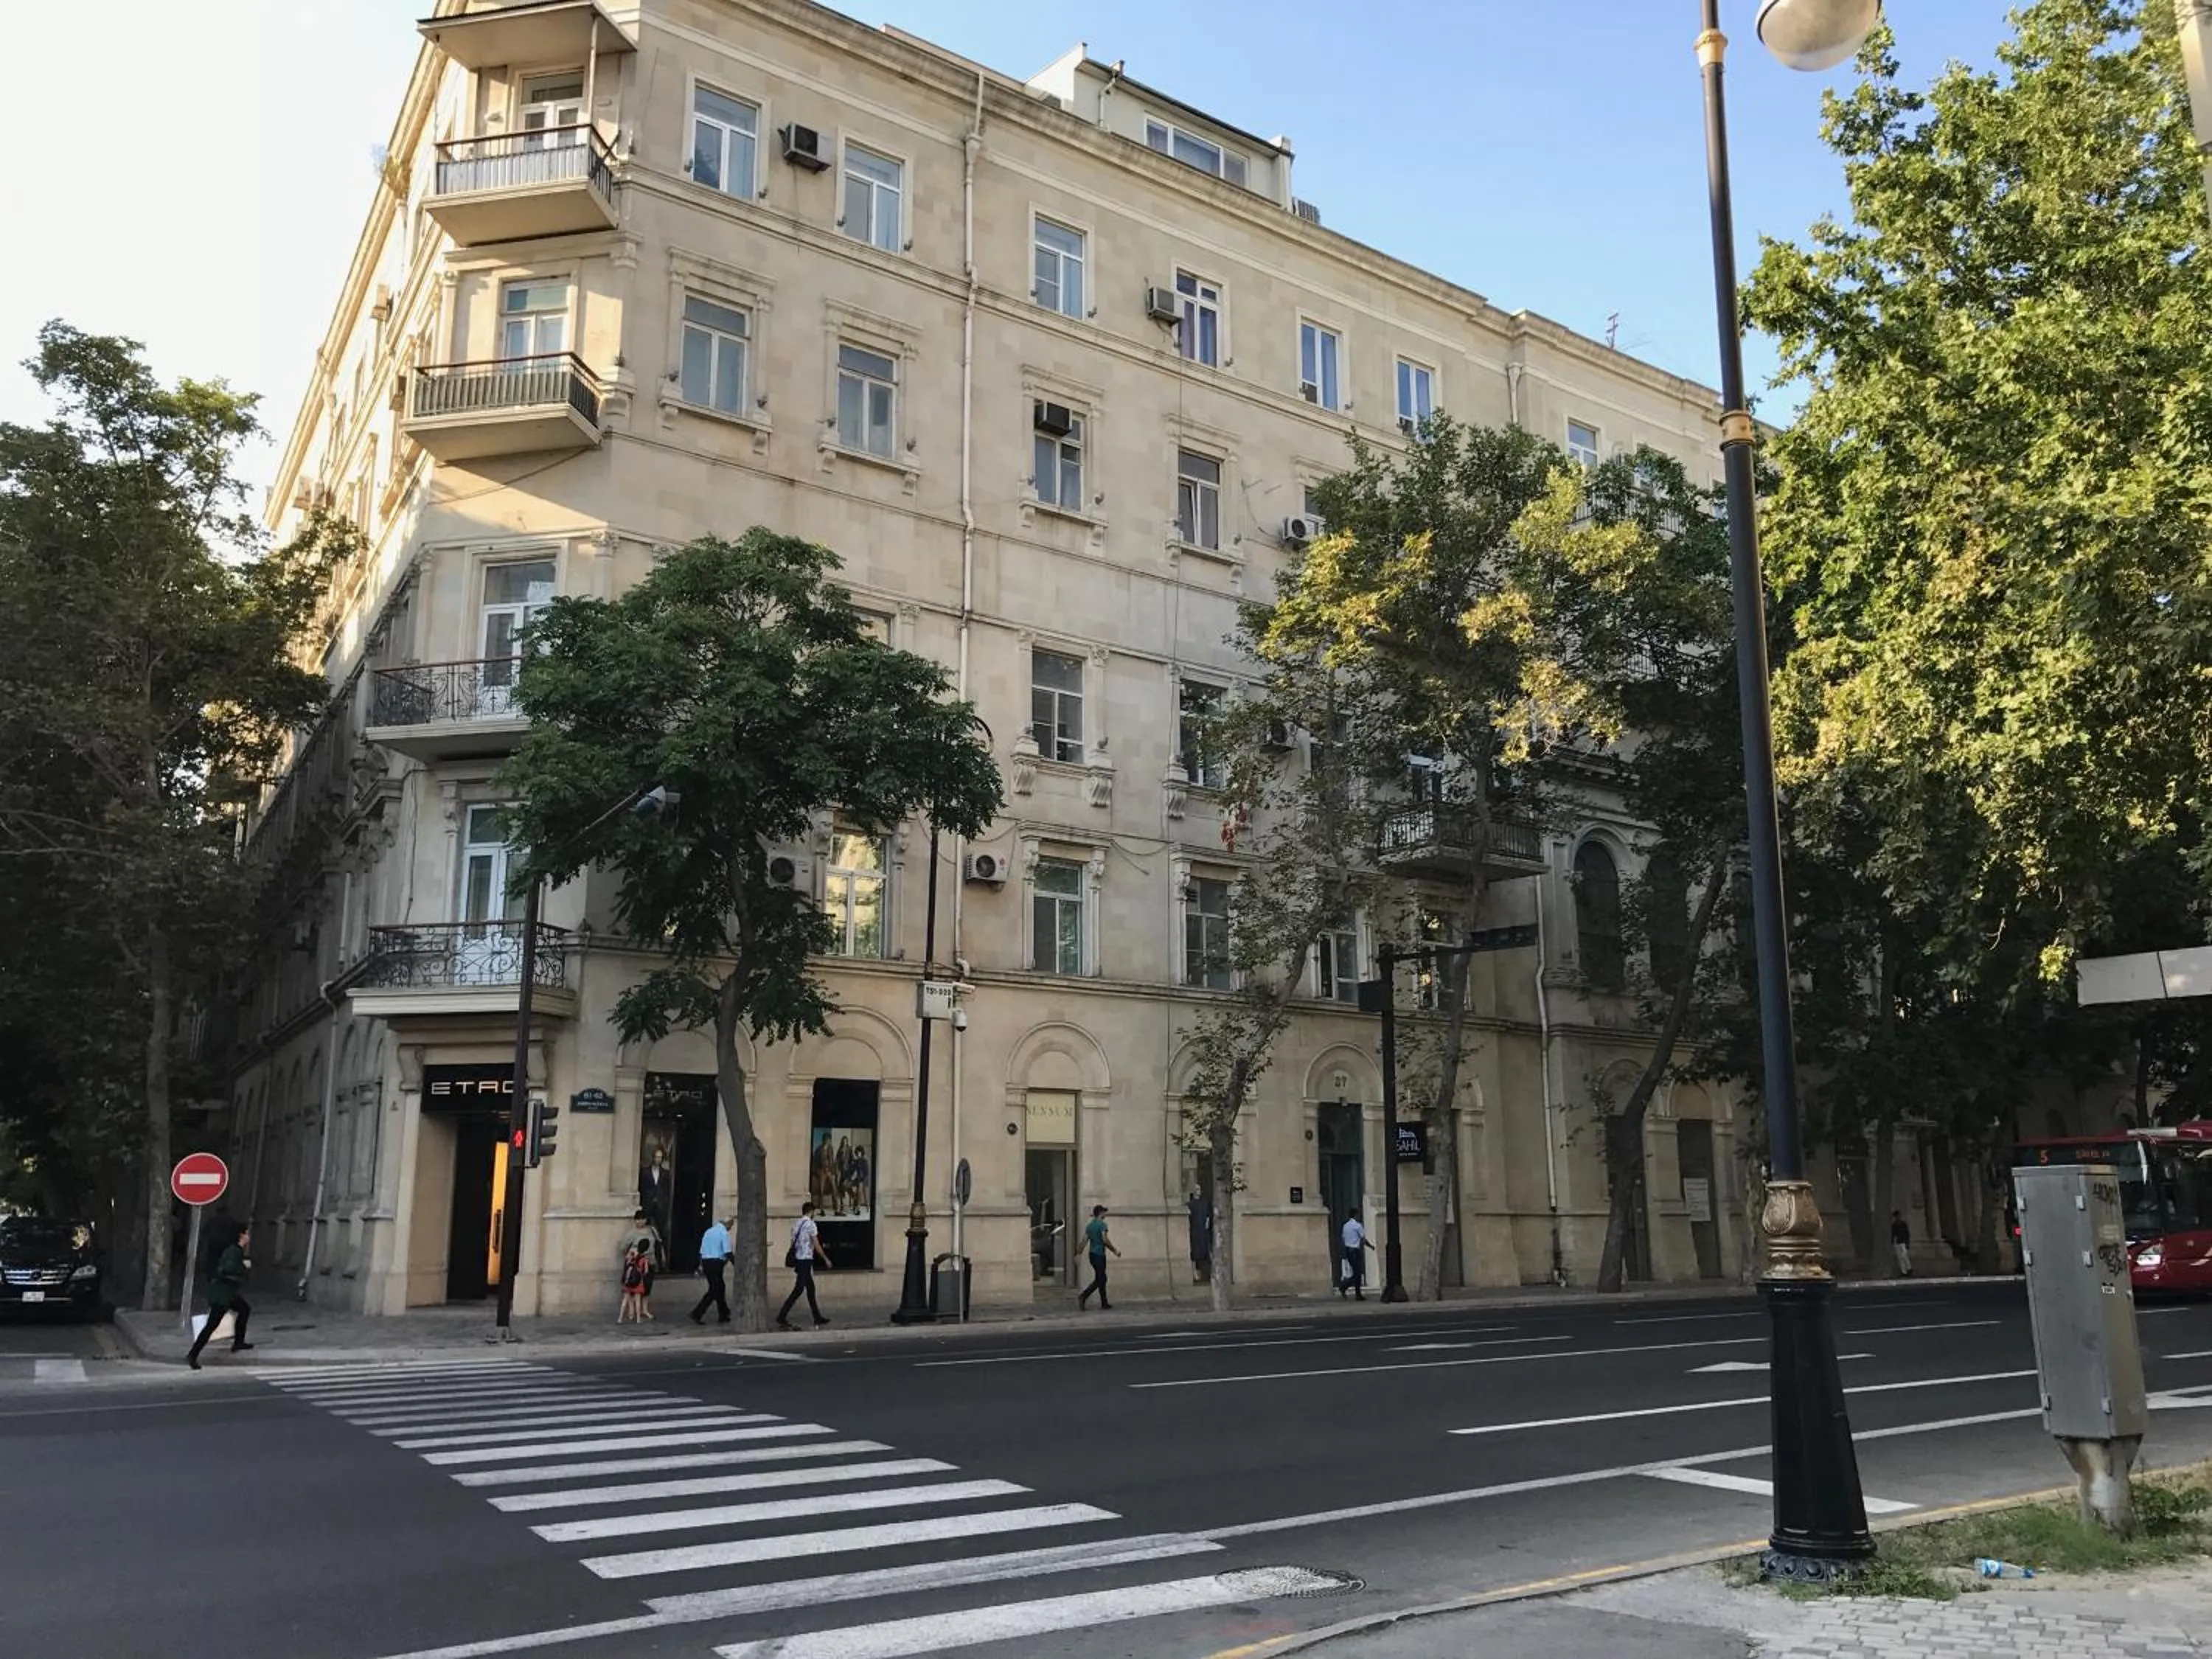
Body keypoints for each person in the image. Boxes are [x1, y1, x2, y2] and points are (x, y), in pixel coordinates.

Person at [187, 1225, 256, 1369]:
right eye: (247, 1234)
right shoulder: (234, 1252)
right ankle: (193, 1354)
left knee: (244, 1310)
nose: (249, 1237)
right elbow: (228, 1269)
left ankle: (239, 1342)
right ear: (241, 1236)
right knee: (212, 1325)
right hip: (222, 1295)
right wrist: (244, 1267)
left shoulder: (236, 1251)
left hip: (228, 1293)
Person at [776, 1200, 832, 1330]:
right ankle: (782, 1315)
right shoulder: (811, 1225)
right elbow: (816, 1244)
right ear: (811, 1211)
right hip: (806, 1260)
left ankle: (817, 1317)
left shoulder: (796, 1224)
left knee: (810, 1289)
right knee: (799, 1290)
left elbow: (792, 1244)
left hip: (799, 1260)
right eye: (814, 1212)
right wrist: (825, 1258)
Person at [690, 1213, 734, 1324]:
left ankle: (723, 1313)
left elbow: (702, 1251)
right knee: (715, 1289)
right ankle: (697, 1313)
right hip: (716, 1263)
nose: (730, 1229)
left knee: (720, 1287)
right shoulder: (724, 1233)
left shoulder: (709, 1231)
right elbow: (728, 1252)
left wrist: (700, 1265)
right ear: (728, 1224)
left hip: (706, 1262)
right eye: (731, 1226)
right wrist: (736, 1264)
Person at [1077, 1204, 1119, 1310]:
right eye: (1104, 1212)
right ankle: (1083, 1296)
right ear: (1100, 1213)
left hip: (1092, 1255)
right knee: (1101, 1278)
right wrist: (1114, 1250)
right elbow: (1104, 1240)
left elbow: (1084, 1241)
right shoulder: (1102, 1225)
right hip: (1100, 1255)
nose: (1105, 1214)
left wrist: (1079, 1253)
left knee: (1101, 1278)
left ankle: (1104, 1303)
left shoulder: (1090, 1226)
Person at [625, 1208, 664, 1320]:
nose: (640, 1222)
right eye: (638, 1219)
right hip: (636, 1263)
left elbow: (658, 1243)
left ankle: (644, 1309)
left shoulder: (652, 1230)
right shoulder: (632, 1233)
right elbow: (623, 1246)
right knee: (633, 1286)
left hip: (649, 1261)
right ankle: (632, 1311)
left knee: (647, 1286)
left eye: (643, 1219)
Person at [1339, 1209, 1374, 1300]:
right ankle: (1346, 1287)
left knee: (1356, 1273)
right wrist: (1371, 1246)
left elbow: (1343, 1238)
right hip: (1355, 1251)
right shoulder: (1358, 1226)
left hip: (1348, 1250)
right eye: (1358, 1215)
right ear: (1355, 1215)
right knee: (1357, 1273)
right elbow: (1363, 1239)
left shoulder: (1345, 1226)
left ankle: (1351, 1290)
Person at [617, 1239, 651, 1323]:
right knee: (638, 1301)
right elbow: (646, 1271)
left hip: (629, 1281)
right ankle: (638, 1319)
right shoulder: (645, 1259)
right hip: (638, 1282)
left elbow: (627, 1263)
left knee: (625, 1300)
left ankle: (620, 1318)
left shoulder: (632, 1255)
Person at [1187, 1188, 1214, 1284]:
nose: (1199, 1191)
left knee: (1207, 1251)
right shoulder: (1190, 1204)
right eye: (1196, 1189)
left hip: (1204, 1231)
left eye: (1199, 1189)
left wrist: (1207, 1223)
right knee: (1195, 1252)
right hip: (1195, 1231)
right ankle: (1196, 1273)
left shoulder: (1205, 1203)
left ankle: (1209, 1273)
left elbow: (1209, 1216)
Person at [1890, 1210, 1914, 1278]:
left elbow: (1907, 1234)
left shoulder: (1903, 1224)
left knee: (1904, 1256)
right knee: (1900, 1258)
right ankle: (1903, 1271)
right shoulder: (1894, 1225)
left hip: (1903, 1242)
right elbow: (1893, 1234)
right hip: (1898, 1242)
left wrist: (1907, 1243)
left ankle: (1909, 1268)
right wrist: (1893, 1241)